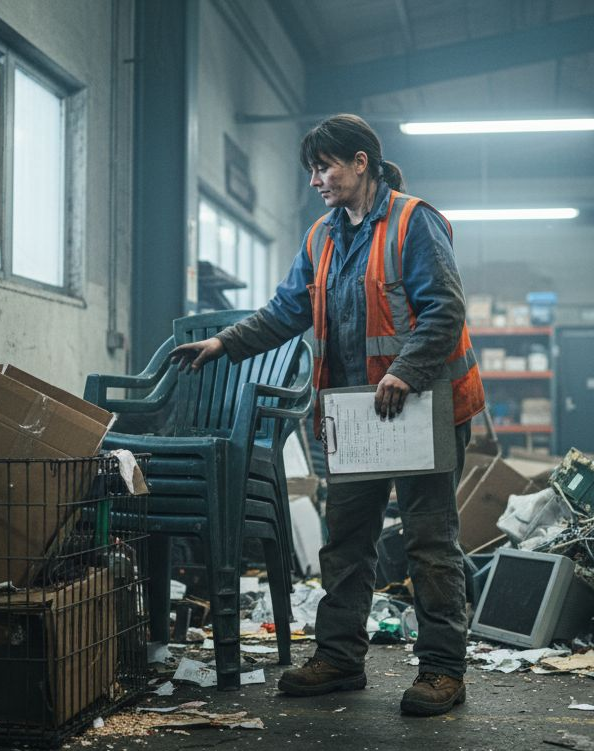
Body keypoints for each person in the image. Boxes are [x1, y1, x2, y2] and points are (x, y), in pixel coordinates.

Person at [168, 114, 484, 716]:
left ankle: (443, 670)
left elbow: (444, 311)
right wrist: (225, 343)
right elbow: (287, 309)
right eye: (312, 169)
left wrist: (403, 373)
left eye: (326, 166)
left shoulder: (413, 223)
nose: (317, 179)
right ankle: (340, 658)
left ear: (361, 162)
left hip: (421, 406)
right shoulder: (322, 236)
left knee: (429, 543)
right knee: (346, 541)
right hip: (356, 418)